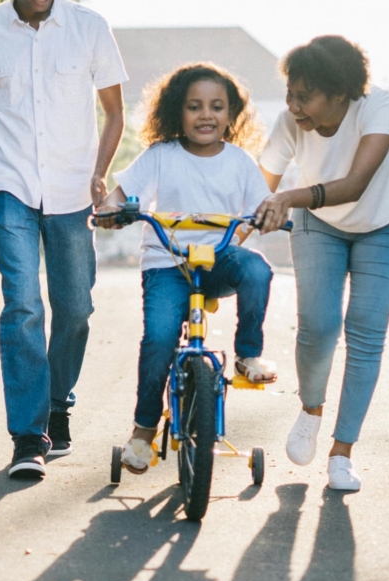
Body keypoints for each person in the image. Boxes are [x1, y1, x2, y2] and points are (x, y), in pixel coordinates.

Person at [0, 0, 127, 480]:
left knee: (75, 309)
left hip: (74, 190)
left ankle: (58, 405)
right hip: (10, 189)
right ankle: (28, 436)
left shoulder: (89, 27)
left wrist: (100, 173)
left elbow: (114, 112)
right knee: (24, 305)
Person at [96, 63, 276, 474]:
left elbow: (261, 207)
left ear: (231, 115)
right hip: (167, 264)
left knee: (258, 270)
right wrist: (111, 209)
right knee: (159, 338)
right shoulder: (161, 156)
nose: (206, 115)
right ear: (178, 111)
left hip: (217, 260)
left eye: (217, 107)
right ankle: (143, 431)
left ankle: (248, 355)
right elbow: (121, 194)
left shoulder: (241, 162)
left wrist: (266, 217)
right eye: (194, 107)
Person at [254, 35, 389, 492]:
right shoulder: (290, 123)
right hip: (318, 225)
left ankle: (342, 453)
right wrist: (232, 234)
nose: (293, 105)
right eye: (290, 93)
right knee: (319, 325)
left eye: (304, 96)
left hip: (385, 222)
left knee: (365, 331)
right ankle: (310, 409)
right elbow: (257, 188)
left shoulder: (377, 107)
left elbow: (357, 183)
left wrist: (287, 197)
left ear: (340, 93)